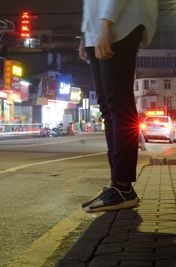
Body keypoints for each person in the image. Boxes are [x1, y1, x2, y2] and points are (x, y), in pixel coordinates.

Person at [79, 0, 158, 212]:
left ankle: (123, 186)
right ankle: (118, 185)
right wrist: (86, 33)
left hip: (120, 23)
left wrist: (106, 24)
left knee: (118, 103)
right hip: (97, 28)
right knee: (107, 107)